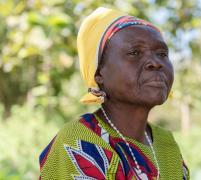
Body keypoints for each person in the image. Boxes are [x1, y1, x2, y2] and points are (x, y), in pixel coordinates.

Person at [39, 7, 189, 180]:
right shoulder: (81, 141)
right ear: (99, 73)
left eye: (162, 54)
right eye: (134, 53)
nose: (155, 63)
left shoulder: (165, 142)